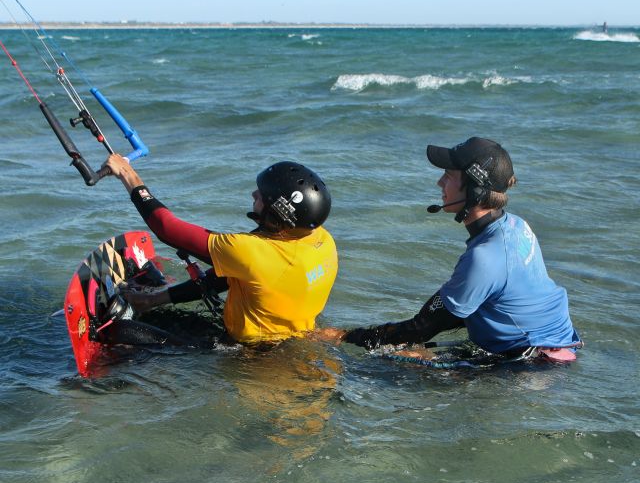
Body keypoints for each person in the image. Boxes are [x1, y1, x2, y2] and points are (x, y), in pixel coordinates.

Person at [322, 137, 581, 362]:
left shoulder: (485, 257)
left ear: (474, 190)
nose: (439, 183)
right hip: (555, 344)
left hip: (529, 363)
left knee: (382, 364)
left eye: (448, 175)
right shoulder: (515, 226)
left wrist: (345, 336)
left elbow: (419, 328)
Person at [104, 154, 338, 346]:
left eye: (262, 195)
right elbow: (229, 277)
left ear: (276, 215)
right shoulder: (321, 239)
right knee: (159, 315)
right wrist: (155, 300)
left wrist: (127, 173)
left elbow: (167, 228)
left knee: (121, 331)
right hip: (288, 337)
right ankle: (148, 302)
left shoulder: (252, 253)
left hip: (248, 356)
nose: (254, 195)